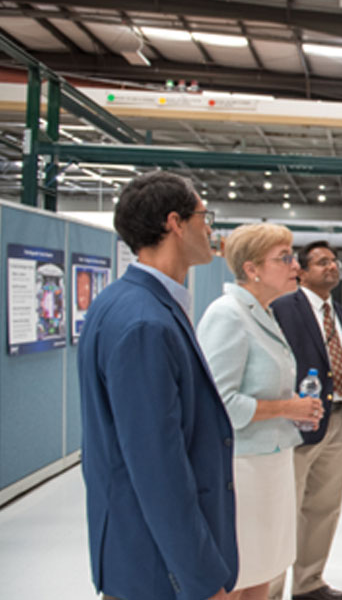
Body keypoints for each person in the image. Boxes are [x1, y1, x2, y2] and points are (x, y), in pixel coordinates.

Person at [77, 171, 236, 600]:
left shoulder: (123, 302)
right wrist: (200, 579)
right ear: (175, 223)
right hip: (158, 569)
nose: (210, 228)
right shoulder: (145, 324)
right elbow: (158, 470)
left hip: (144, 557)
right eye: (205, 215)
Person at [197, 224, 325, 600]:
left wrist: (294, 411)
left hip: (269, 462)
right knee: (240, 573)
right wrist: (289, 407)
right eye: (283, 258)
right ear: (252, 268)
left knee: (264, 570)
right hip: (241, 469)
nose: (295, 266)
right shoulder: (227, 315)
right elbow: (219, 403)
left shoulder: (264, 313)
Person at [268, 241, 342, 600]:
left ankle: (309, 583)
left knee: (324, 507)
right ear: (301, 270)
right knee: (286, 510)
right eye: (321, 262)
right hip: (299, 425)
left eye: (334, 261)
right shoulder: (283, 309)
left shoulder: (341, 314)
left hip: (339, 419)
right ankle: (269, 590)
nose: (331, 267)